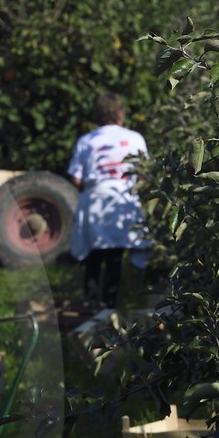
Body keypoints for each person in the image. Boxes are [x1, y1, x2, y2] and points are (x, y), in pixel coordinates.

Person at [67, 91, 149, 309]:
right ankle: (109, 306)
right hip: (123, 199)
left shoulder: (86, 140)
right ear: (120, 113)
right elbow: (143, 174)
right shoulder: (134, 139)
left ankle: (90, 303)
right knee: (115, 256)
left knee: (94, 255)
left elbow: (76, 178)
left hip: (95, 199)